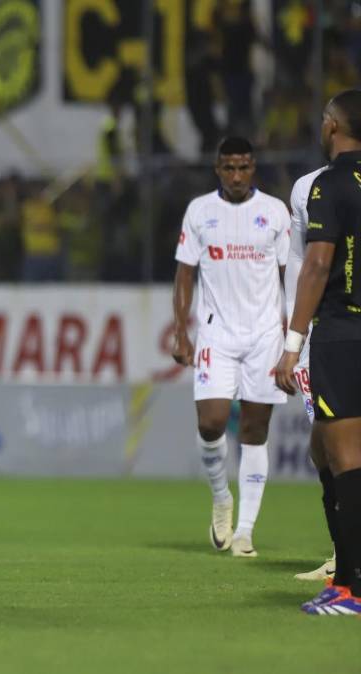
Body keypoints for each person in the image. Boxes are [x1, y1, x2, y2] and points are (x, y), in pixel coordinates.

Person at [172, 136, 290, 558]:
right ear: (217, 170)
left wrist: (293, 338)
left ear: (253, 167)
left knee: (255, 433)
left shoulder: (275, 212)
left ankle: (244, 533)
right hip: (216, 332)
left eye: (244, 167)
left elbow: (288, 274)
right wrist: (181, 331)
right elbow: (185, 274)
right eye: (229, 168)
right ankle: (221, 497)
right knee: (211, 423)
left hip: (264, 335)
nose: (237, 175)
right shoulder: (201, 212)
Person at [276, 90, 361, 615]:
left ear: (332, 125)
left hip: (342, 333)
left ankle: (350, 587)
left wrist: (292, 344)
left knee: (343, 457)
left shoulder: (326, 186)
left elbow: (316, 266)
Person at [284, 165, 337, 583]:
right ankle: (344, 551)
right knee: (326, 444)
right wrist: (292, 334)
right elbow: (300, 261)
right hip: (320, 334)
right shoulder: (309, 187)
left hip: (339, 333)